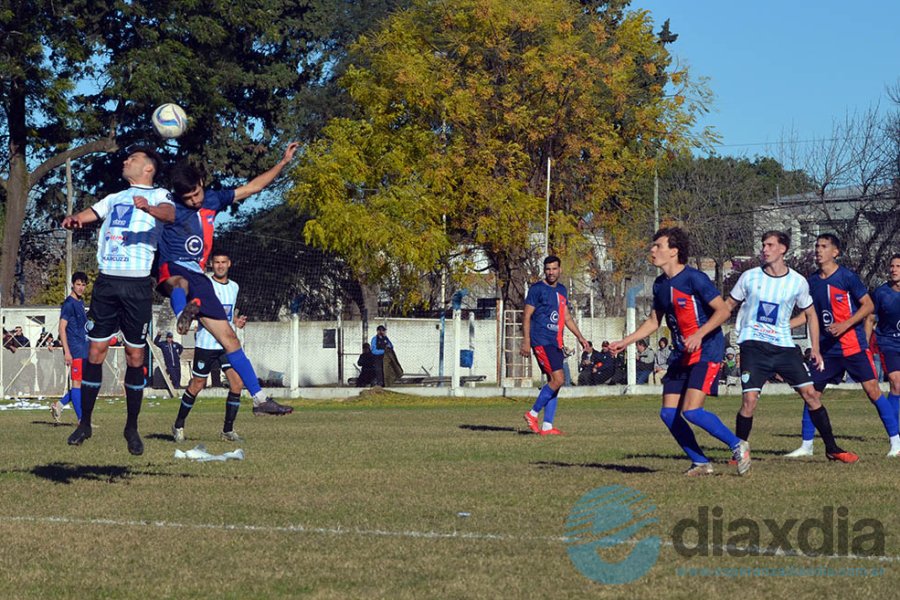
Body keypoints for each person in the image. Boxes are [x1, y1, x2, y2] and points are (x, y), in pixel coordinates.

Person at [156, 145, 299, 416]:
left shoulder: (213, 199)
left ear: (201, 184)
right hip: (172, 266)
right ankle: (182, 314)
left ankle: (260, 400)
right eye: (187, 199)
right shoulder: (171, 206)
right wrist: (151, 210)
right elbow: (165, 213)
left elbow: (252, 188)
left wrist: (282, 163)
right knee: (179, 283)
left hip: (199, 276)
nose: (194, 202)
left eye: (196, 194)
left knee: (231, 339)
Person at [61, 145, 175, 455]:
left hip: (137, 285)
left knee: (135, 357)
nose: (126, 161)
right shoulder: (114, 198)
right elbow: (91, 213)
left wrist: (148, 208)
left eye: (133, 159)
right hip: (107, 283)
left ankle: (131, 427)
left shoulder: (159, 195)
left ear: (148, 168)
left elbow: (170, 213)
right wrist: (76, 219)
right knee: (95, 351)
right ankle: (84, 423)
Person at [610, 227, 749, 476]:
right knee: (668, 413)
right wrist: (626, 341)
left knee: (692, 410)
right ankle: (700, 461)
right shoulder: (660, 284)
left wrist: (699, 334)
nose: (652, 250)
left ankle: (737, 444)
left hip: (707, 350)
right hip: (680, 353)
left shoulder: (695, 279)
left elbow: (723, 310)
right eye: (653, 246)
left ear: (674, 251)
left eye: (658, 246)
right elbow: (654, 321)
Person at [724, 230, 858, 464]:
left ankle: (832, 448)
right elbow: (728, 304)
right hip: (753, 346)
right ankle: (739, 451)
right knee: (750, 401)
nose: (764, 249)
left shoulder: (797, 281)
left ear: (782, 249)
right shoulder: (749, 277)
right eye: (763, 245)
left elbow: (810, 314)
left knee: (811, 395)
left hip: (784, 348)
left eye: (770, 245)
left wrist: (814, 348)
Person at [784, 234, 898, 457]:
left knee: (873, 391)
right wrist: (785, 325)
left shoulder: (847, 277)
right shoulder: (812, 282)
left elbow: (867, 306)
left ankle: (896, 443)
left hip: (853, 346)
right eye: (816, 246)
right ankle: (806, 446)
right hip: (827, 351)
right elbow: (810, 314)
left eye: (823, 246)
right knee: (812, 394)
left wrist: (845, 324)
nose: (818, 250)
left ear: (835, 252)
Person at [172, 251, 252, 443]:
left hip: (225, 345)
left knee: (237, 383)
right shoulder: (204, 285)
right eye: (216, 262)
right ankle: (178, 425)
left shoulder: (234, 287)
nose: (220, 266)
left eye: (224, 262)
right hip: (206, 344)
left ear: (229, 264)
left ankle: (227, 430)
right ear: (211, 265)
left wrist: (235, 321)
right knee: (197, 385)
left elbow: (224, 313)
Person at [520, 256, 590, 435]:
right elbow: (526, 315)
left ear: (560, 270)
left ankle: (547, 426)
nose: (551, 272)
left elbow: (566, 317)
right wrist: (526, 341)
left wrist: (581, 339)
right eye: (548, 269)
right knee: (558, 379)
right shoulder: (537, 289)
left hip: (555, 342)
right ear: (544, 270)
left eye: (554, 269)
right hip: (541, 340)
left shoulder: (561, 290)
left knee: (555, 383)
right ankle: (532, 413)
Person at [50, 272, 89, 425]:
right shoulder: (69, 304)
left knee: (84, 385)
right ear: (72, 284)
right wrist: (67, 351)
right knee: (77, 384)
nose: (81, 288)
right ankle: (82, 420)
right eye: (78, 284)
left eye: (84, 285)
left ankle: (59, 405)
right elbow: (62, 328)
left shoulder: (80, 302)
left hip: (84, 347)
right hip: (75, 349)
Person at [870, 254, 900, 445]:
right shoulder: (881, 293)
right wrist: (864, 344)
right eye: (892, 266)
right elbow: (870, 318)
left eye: (898, 266)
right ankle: (895, 434)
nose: (894, 269)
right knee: (896, 382)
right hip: (889, 342)